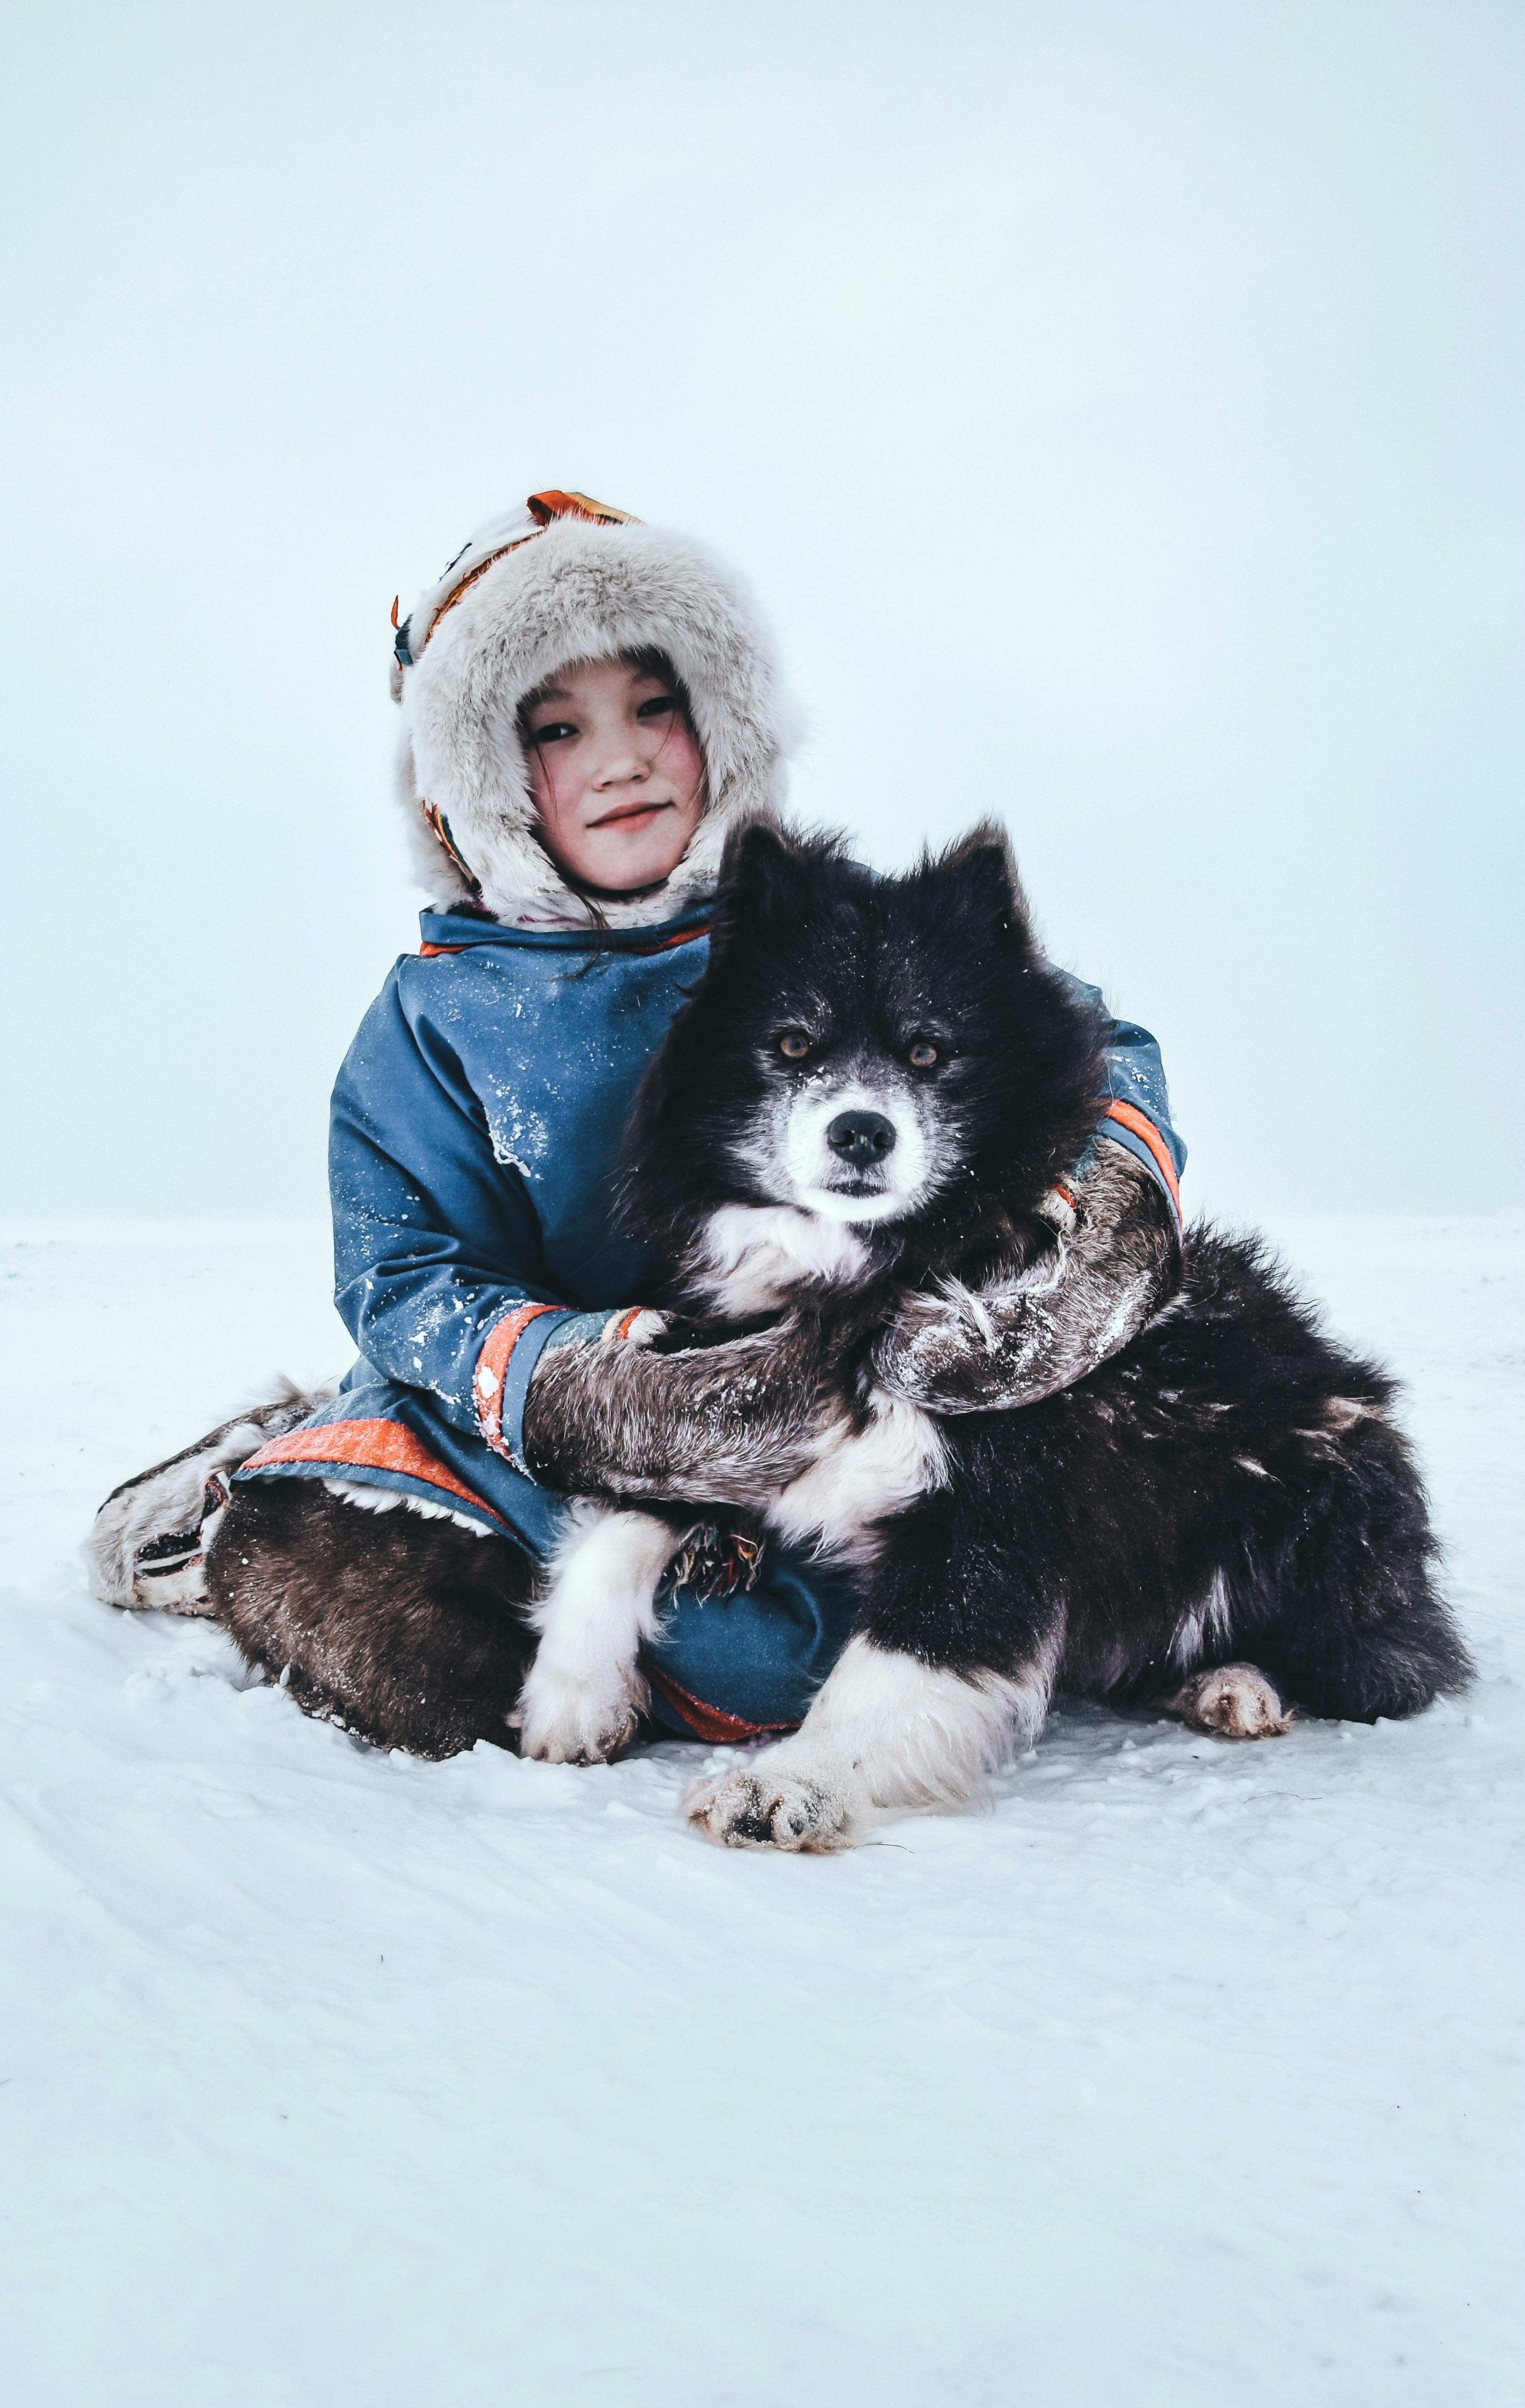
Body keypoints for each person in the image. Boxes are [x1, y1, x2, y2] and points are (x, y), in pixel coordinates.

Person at [88, 489, 1186, 1756]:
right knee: (410, 1635)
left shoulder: (814, 924)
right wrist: (578, 1381)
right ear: (484, 787)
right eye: (558, 728)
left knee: (787, 1655)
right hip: (556, 1398)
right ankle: (294, 1470)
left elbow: (1079, 1041)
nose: (619, 758)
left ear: (720, 719)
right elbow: (405, 1268)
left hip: (804, 1400)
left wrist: (1106, 1209)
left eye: (654, 708)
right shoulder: (440, 1018)